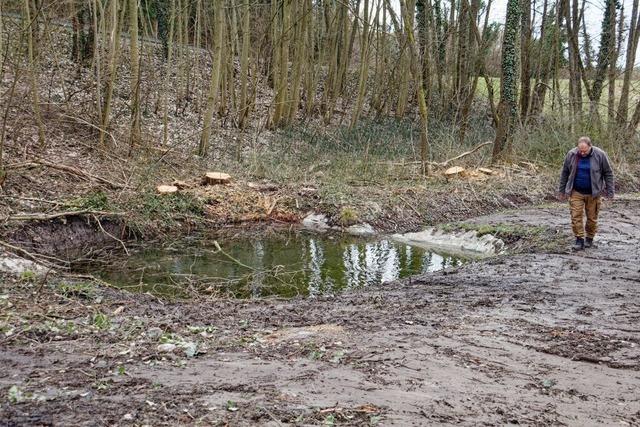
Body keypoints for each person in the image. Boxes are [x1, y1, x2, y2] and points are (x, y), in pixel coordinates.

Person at [558, 136, 615, 250]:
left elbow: (608, 173)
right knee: (575, 216)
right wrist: (562, 190)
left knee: (592, 218)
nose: (582, 153)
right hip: (576, 191)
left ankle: (589, 238)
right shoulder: (571, 154)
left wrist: (610, 191)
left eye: (585, 150)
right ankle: (579, 239)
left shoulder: (600, 155)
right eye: (580, 150)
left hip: (593, 193)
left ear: (590, 146)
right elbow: (564, 172)